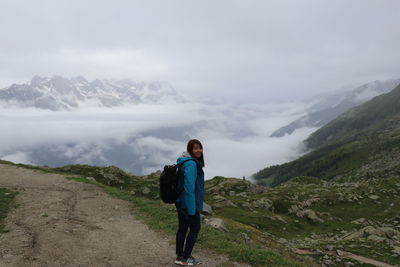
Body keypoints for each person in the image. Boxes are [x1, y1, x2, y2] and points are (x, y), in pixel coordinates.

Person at [174, 139, 205, 266]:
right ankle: (185, 258)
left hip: (181, 202)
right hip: (188, 204)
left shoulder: (185, 161)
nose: (198, 150)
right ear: (190, 150)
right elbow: (189, 187)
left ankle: (180, 255)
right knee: (195, 229)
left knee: (182, 229)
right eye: (195, 148)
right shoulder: (191, 164)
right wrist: (192, 208)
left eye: (200, 148)